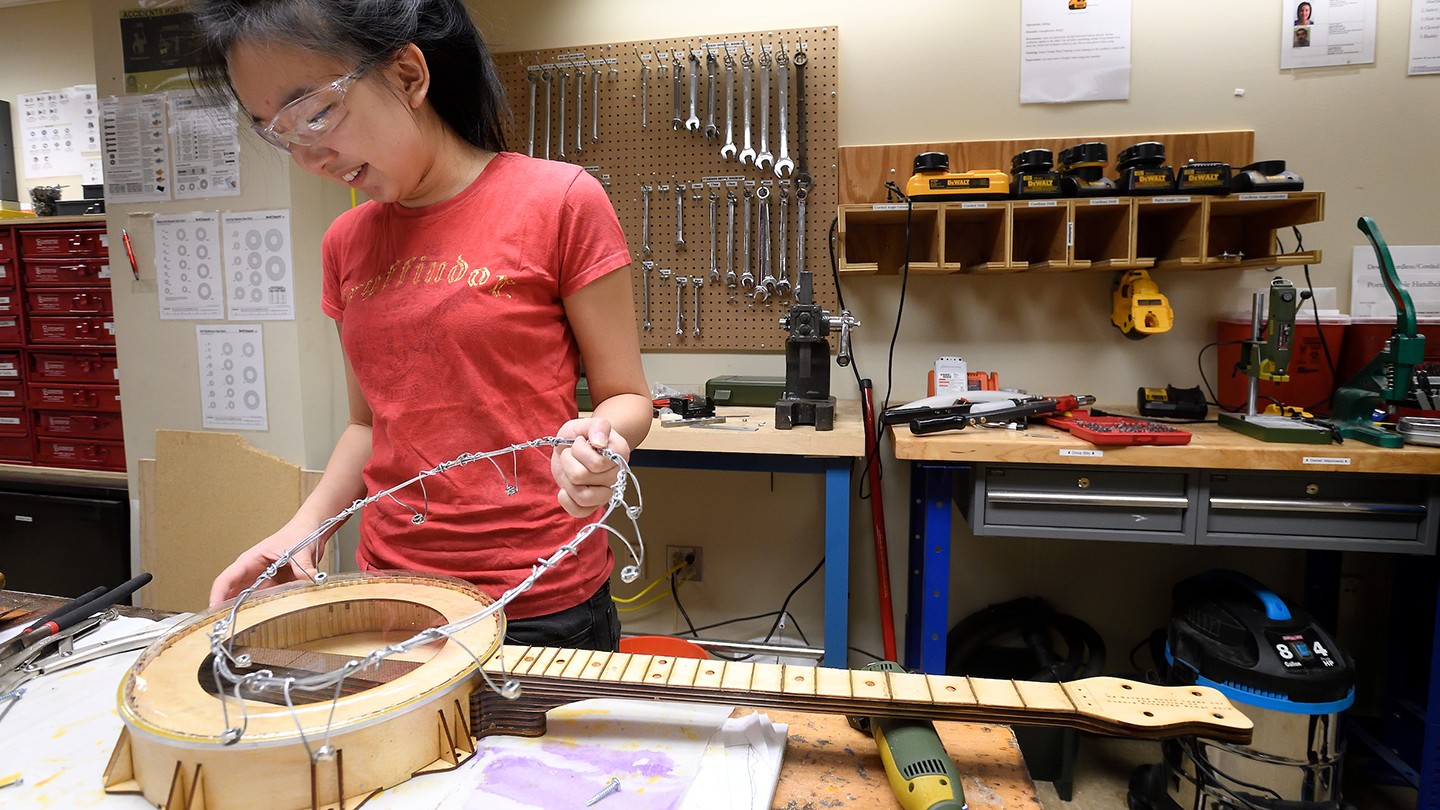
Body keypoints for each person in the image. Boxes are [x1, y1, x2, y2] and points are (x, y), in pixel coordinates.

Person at [191, 0, 651, 651]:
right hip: (396, 596)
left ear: (408, 76)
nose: (308, 156)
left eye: (316, 113)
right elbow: (367, 424)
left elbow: (627, 396)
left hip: (538, 598)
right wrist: (304, 527)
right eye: (279, 131)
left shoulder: (560, 201)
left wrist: (602, 444)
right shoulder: (345, 243)